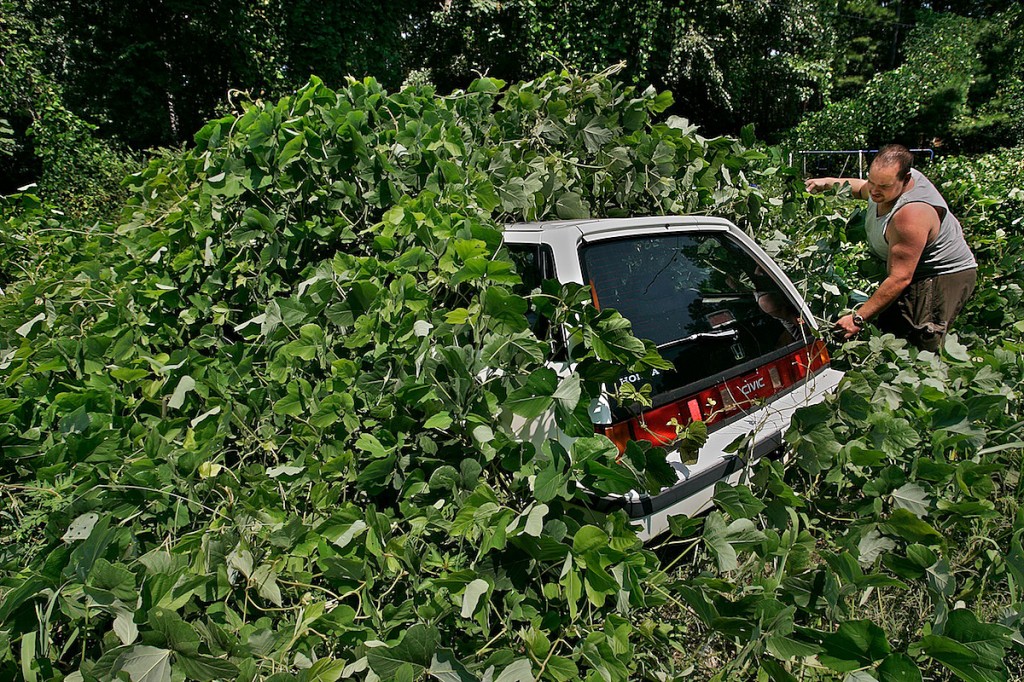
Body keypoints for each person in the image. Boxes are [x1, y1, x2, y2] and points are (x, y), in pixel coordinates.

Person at [804, 144, 977, 352]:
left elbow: (900, 278)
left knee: (919, 343)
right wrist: (827, 183)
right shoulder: (884, 185)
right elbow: (860, 188)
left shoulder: (910, 215)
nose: (875, 191)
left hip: (939, 276)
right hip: (909, 271)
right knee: (889, 330)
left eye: (884, 186)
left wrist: (857, 318)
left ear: (905, 180)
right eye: (872, 182)